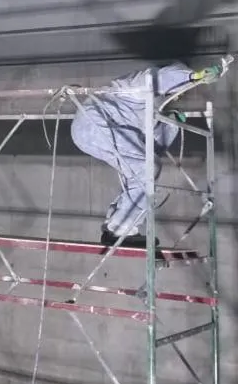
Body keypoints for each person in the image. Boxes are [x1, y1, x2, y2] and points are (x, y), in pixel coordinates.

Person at [70, 60, 230, 249]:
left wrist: (170, 124)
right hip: (94, 123)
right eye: (178, 92)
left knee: (143, 169)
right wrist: (193, 77)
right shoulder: (140, 82)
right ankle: (120, 229)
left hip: (101, 128)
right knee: (146, 168)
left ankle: (116, 224)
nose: (178, 96)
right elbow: (161, 78)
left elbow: (153, 145)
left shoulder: (148, 105)